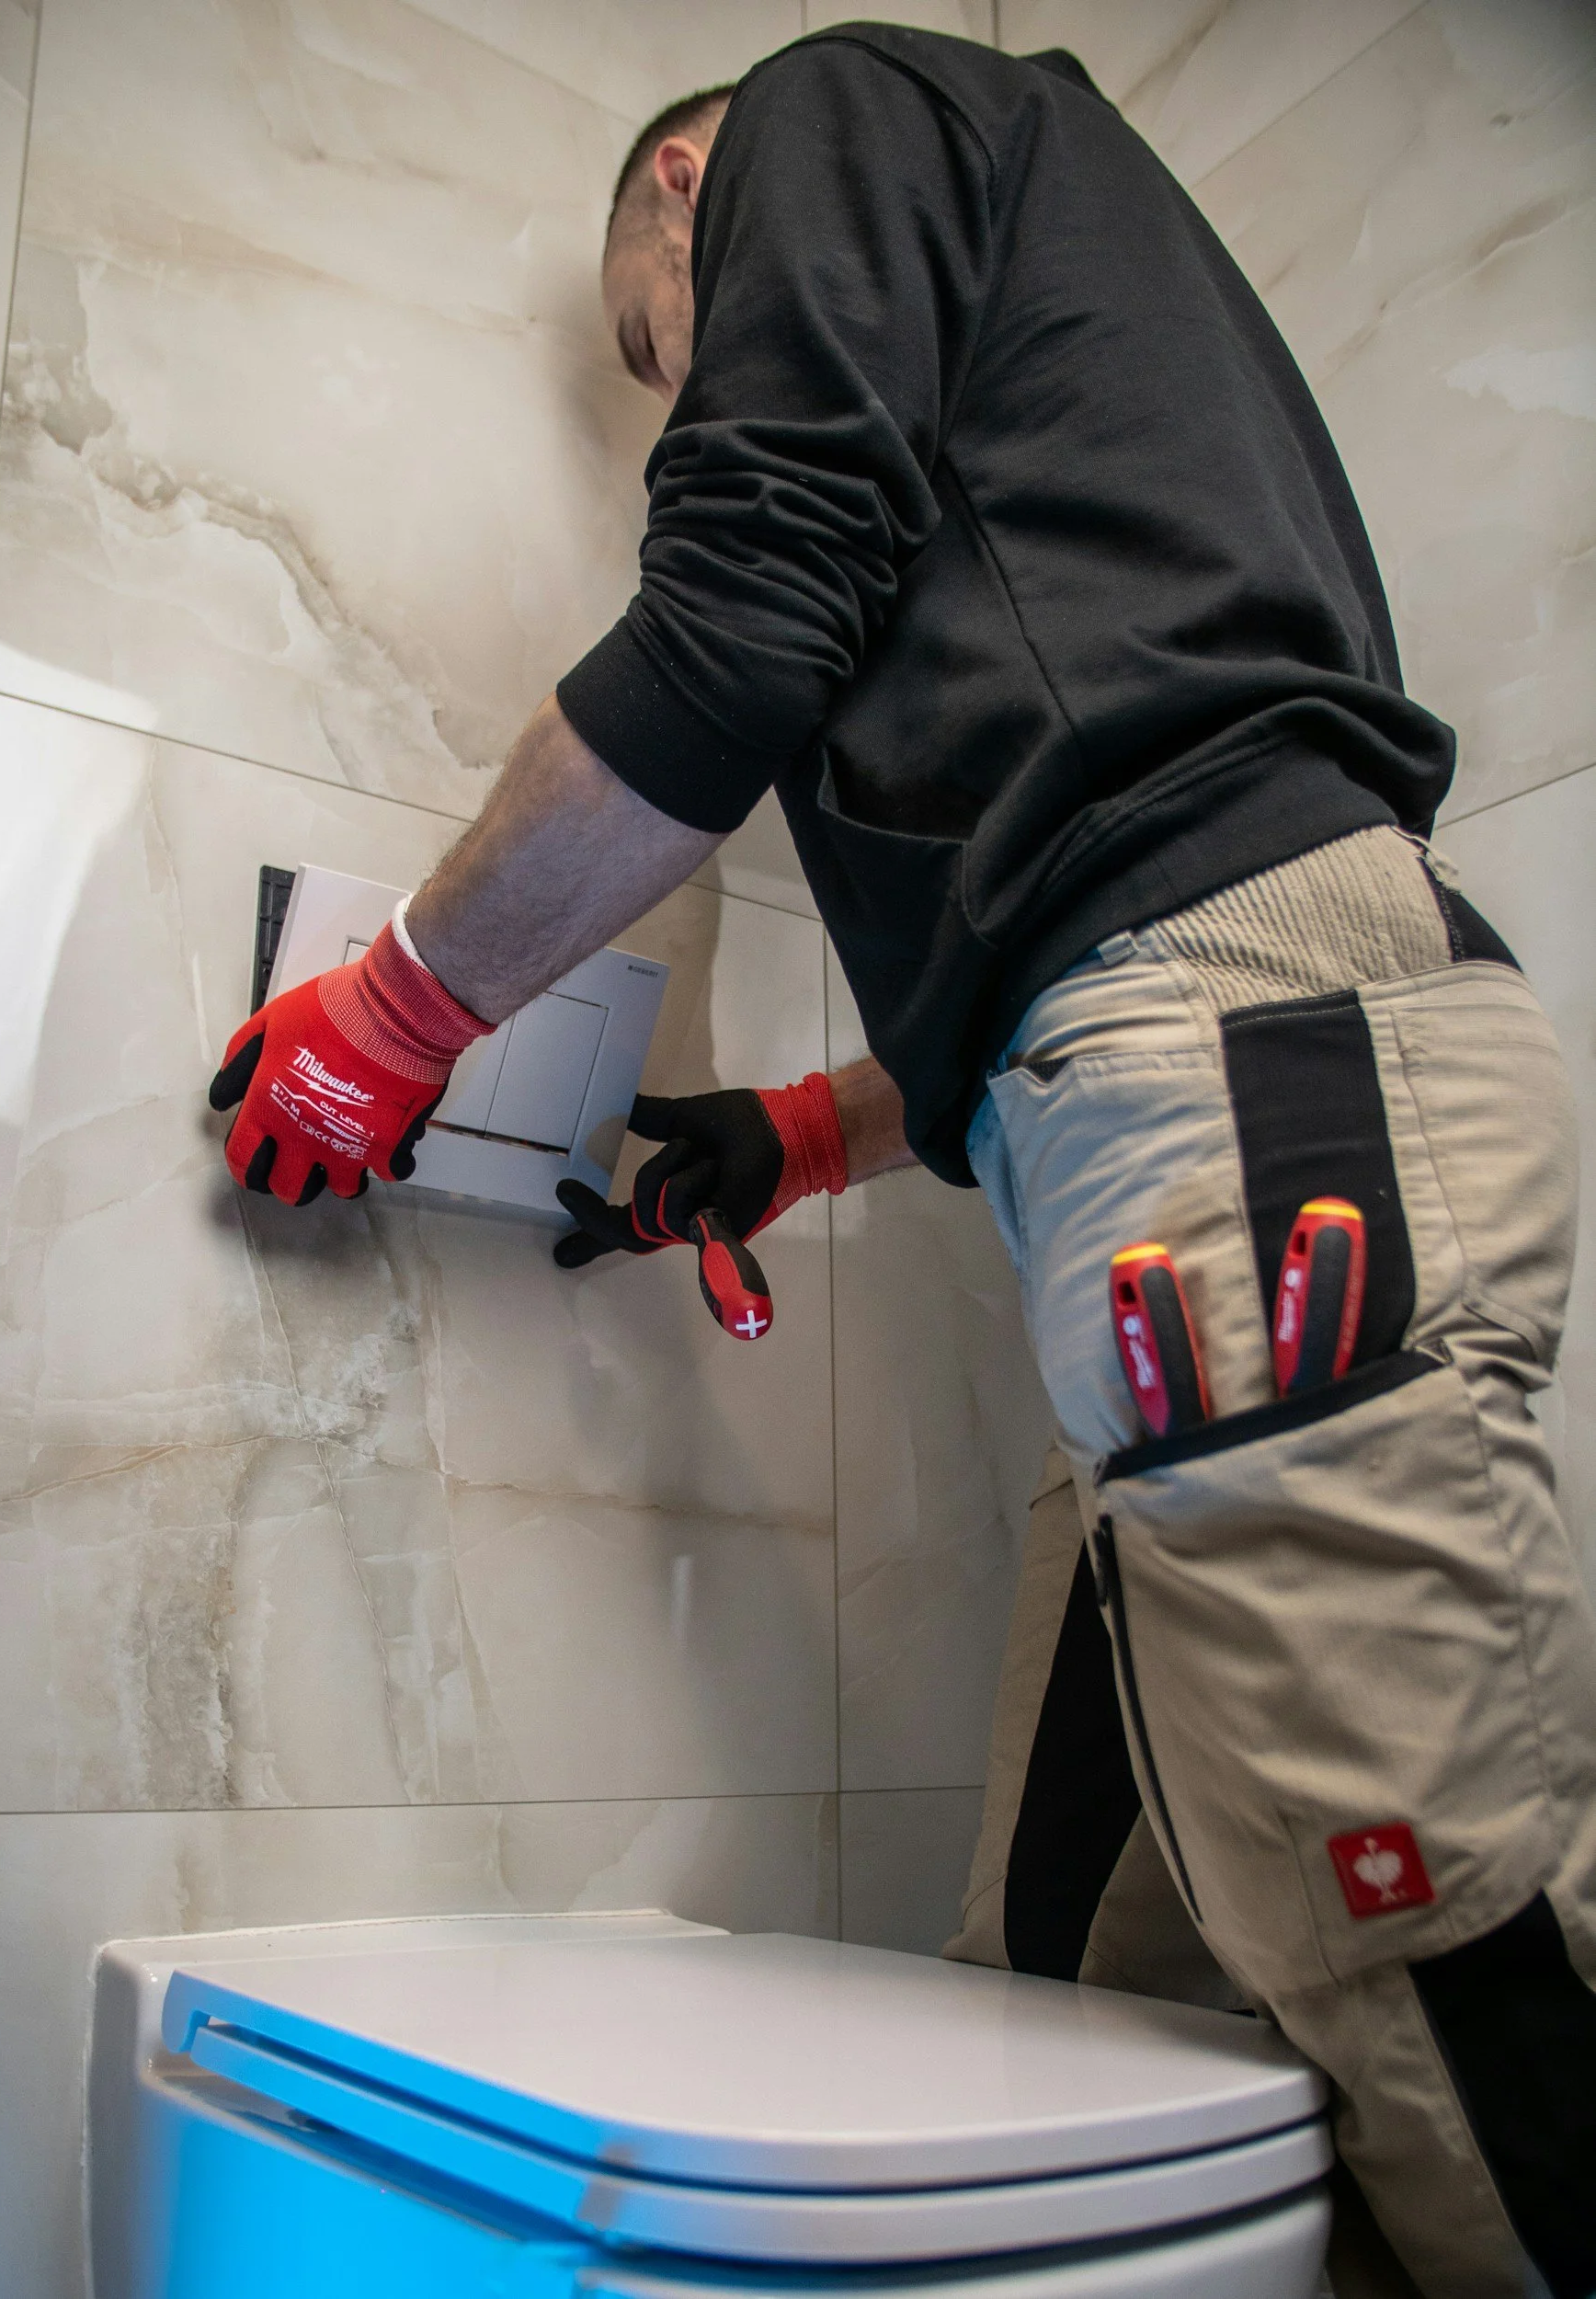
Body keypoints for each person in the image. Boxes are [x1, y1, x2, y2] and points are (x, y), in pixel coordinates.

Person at [207, 25, 1596, 2295]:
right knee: (1073, 1996)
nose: (689, 388)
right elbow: (1103, 845)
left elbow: (742, 621)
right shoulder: (1047, 319)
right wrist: (809, 1134)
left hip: (1259, 1107)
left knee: (1444, 1964)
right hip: (1208, 1115)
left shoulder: (833, 108)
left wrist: (396, 1013)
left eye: (660, 348)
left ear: (687, 186)